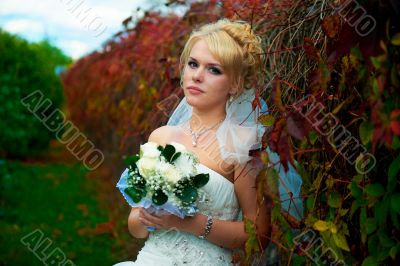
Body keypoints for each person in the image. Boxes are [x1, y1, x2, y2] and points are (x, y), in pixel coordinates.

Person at [114, 18, 271, 265]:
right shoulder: (162, 137)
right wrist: (147, 215)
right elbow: (135, 227)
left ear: (235, 84)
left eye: (214, 69)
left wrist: (193, 224)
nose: (197, 76)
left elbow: (259, 235)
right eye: (193, 64)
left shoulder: (243, 144)